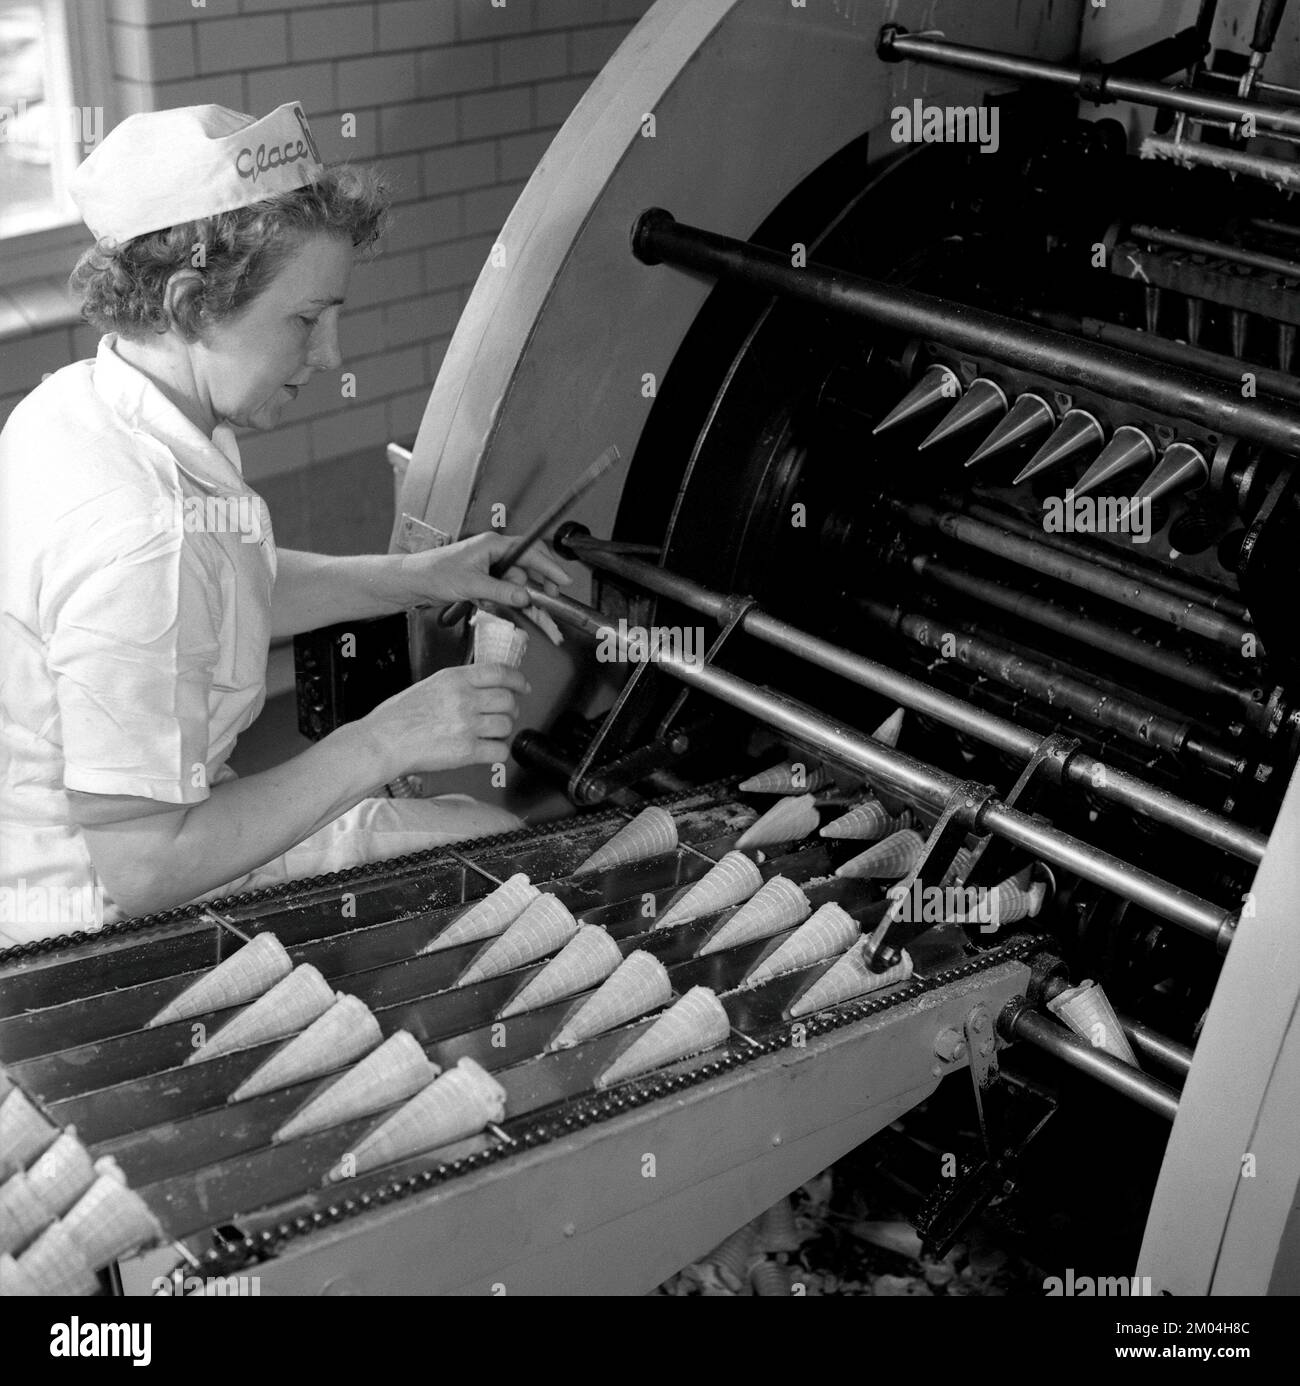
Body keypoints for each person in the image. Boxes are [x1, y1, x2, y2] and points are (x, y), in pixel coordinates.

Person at [0, 102, 570, 947]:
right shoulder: (140, 532)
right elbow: (147, 868)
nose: (330, 355)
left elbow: (219, 588)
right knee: (492, 857)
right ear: (191, 303)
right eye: (306, 319)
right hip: (87, 926)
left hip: (101, 843)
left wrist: (422, 576)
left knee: (460, 828)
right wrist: (384, 742)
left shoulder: (80, 401)